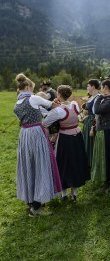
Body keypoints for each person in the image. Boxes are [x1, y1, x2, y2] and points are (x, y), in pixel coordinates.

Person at [13, 73, 61, 217]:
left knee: (29, 165)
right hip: (36, 133)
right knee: (40, 164)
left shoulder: (17, 104)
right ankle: (37, 206)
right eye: (32, 88)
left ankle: (31, 201)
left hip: (25, 134)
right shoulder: (33, 98)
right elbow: (52, 105)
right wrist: (57, 102)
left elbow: (21, 120)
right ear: (28, 87)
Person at [43, 85, 90, 202]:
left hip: (64, 138)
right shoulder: (74, 104)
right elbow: (77, 114)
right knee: (75, 162)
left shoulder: (58, 110)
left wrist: (54, 107)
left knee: (62, 164)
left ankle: (64, 194)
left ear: (58, 95)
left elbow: (45, 122)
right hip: (77, 137)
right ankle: (74, 193)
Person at [91, 79, 110, 188]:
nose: (100, 89)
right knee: (107, 155)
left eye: (101, 87)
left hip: (108, 131)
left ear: (105, 87)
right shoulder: (109, 99)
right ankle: (109, 178)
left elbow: (96, 110)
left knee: (108, 156)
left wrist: (99, 97)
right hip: (106, 130)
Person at [82, 79, 100, 168]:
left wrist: (93, 128)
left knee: (91, 144)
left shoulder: (98, 97)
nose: (87, 88)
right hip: (88, 121)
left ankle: (92, 165)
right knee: (86, 143)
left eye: (88, 86)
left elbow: (97, 115)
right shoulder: (92, 97)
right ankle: (87, 164)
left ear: (93, 86)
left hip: (93, 123)